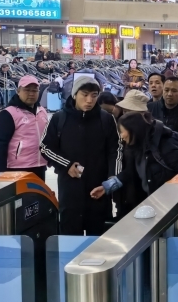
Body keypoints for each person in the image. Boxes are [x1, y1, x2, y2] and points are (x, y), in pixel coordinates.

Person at [40, 76, 120, 236]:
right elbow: (45, 147)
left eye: (94, 95)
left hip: (98, 189)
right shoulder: (59, 118)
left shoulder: (106, 119)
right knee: (70, 236)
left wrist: (111, 182)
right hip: (70, 189)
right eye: (85, 94)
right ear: (75, 94)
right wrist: (67, 165)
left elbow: (115, 151)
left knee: (98, 238)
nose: (89, 100)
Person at [92, 111, 178, 201]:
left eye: (122, 131)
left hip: (175, 202)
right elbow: (130, 171)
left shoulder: (166, 146)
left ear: (133, 130)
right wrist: (107, 187)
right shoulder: (139, 146)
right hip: (156, 201)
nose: (121, 135)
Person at [0, 75, 49, 179]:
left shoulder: (42, 111)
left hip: (40, 166)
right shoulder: (8, 113)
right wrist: (0, 172)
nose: (31, 94)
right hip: (17, 168)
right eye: (27, 90)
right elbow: (0, 144)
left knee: (38, 190)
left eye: (35, 90)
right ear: (18, 91)